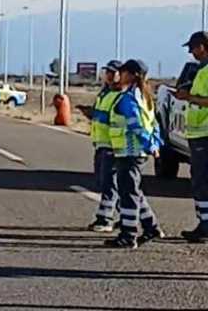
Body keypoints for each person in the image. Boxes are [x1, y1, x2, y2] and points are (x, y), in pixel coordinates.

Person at [104, 60, 166, 249]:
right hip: (135, 151)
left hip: (129, 151)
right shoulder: (144, 96)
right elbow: (153, 124)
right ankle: (151, 226)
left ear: (131, 75)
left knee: (128, 193)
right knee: (134, 191)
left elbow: (137, 126)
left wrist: (150, 144)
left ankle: (128, 235)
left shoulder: (128, 99)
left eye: (122, 73)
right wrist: (154, 144)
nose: (118, 76)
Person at [170, 31, 208, 243]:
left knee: (202, 181)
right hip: (198, 133)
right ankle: (203, 224)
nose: (191, 53)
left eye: (192, 48)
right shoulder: (202, 71)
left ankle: (205, 227)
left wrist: (189, 97)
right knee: (200, 181)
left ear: (202, 46)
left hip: (205, 134)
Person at [86, 61, 124, 232]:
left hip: (112, 144)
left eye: (112, 72)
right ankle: (126, 216)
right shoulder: (105, 93)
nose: (108, 75)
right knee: (104, 182)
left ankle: (105, 219)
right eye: (107, 72)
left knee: (109, 183)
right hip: (101, 143)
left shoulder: (120, 94)